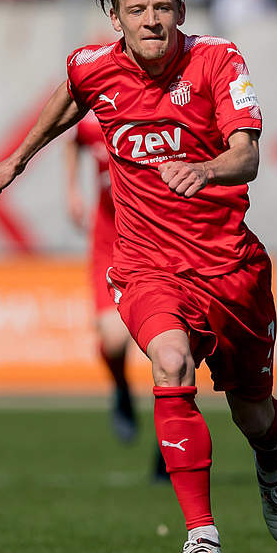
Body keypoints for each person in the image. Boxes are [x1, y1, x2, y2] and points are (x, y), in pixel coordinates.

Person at [0, 0, 277, 553]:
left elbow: (248, 156)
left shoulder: (217, 60)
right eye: (137, 9)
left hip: (230, 269)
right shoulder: (93, 67)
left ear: (180, 10)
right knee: (170, 362)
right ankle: (201, 537)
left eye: (162, 6)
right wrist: (19, 158)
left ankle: (272, 466)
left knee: (253, 415)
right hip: (147, 264)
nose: (152, 19)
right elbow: (69, 97)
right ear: (114, 18)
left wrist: (205, 168)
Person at [67, 114, 169, 481]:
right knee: (111, 340)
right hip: (109, 243)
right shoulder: (95, 119)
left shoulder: (163, 117)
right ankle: (123, 390)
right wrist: (73, 190)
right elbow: (73, 139)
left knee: (169, 352)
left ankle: (168, 450)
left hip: (158, 244)